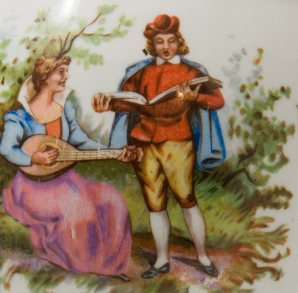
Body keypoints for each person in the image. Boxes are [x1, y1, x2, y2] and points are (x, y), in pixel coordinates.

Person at [92, 14, 225, 278]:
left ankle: (202, 256)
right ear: (152, 45)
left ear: (179, 42)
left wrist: (195, 97)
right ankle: (161, 260)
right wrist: (107, 104)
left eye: (171, 41)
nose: (166, 47)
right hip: (143, 144)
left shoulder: (193, 72)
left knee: (186, 199)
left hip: (178, 142)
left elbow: (217, 100)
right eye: (160, 42)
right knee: (154, 203)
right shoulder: (139, 72)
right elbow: (127, 101)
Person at [0, 55, 140, 277]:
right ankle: (83, 264)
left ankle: (109, 265)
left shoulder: (64, 112)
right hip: (32, 186)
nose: (67, 76)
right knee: (78, 209)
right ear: (45, 77)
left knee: (111, 199)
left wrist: (114, 152)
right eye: (61, 72)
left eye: (66, 71)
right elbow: (7, 149)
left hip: (66, 180)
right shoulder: (19, 117)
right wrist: (33, 158)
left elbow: (81, 142)